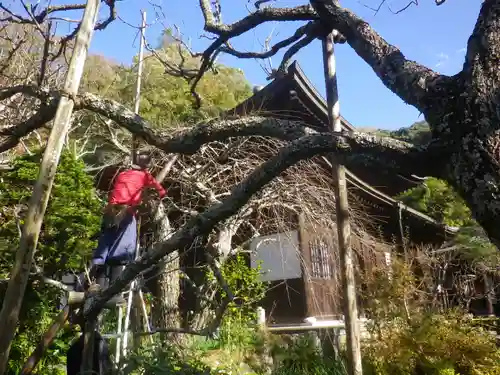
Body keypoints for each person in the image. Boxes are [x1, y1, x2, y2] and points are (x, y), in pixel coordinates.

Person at [90, 153, 166, 294]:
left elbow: (121, 191)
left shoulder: (122, 174)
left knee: (104, 247)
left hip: (109, 212)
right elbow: (161, 192)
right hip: (126, 213)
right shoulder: (145, 176)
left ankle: (96, 284)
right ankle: (114, 289)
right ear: (146, 167)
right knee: (123, 249)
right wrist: (148, 198)